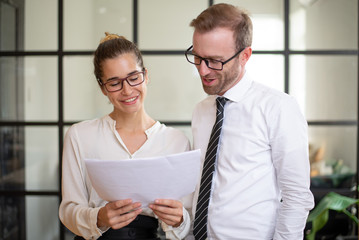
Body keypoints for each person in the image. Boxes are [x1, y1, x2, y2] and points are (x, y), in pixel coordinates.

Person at [184, 3, 314, 240]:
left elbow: (297, 196)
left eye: (214, 60)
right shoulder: (201, 111)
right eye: (197, 57)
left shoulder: (278, 108)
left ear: (245, 56)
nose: (203, 70)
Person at [59, 33, 192, 240]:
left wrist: (179, 219)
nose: (127, 90)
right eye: (114, 83)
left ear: (146, 75)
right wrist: (99, 218)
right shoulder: (79, 135)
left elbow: (188, 222)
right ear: (103, 88)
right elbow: (68, 211)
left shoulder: (176, 141)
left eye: (134, 77)